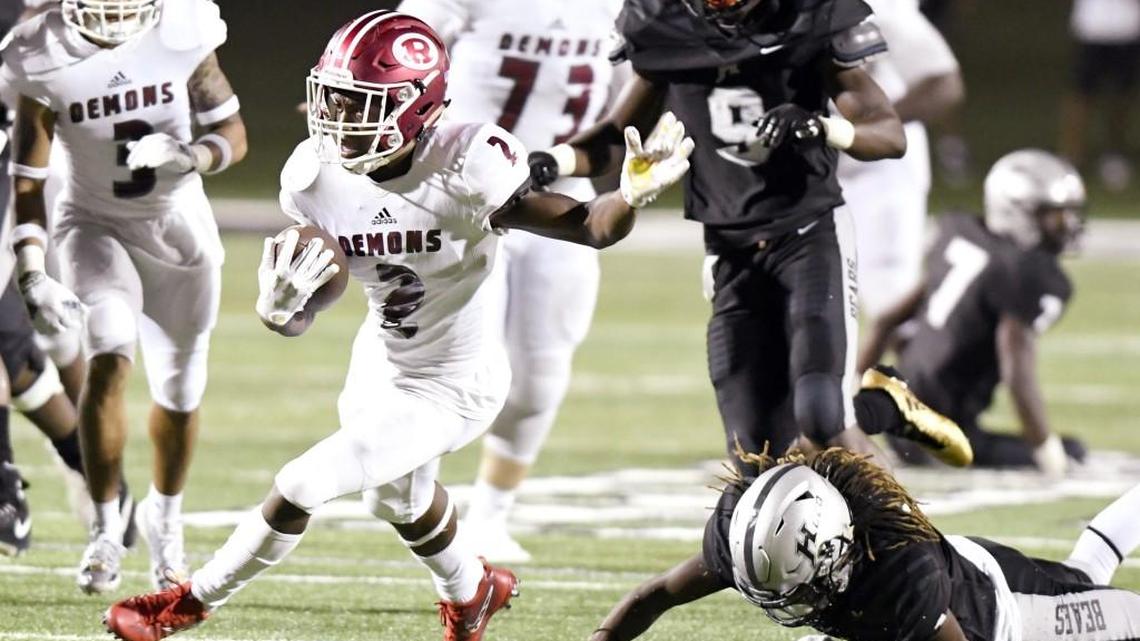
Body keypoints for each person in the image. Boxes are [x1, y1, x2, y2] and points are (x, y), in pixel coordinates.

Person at [103, 10, 692, 641]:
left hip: (455, 382)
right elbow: (311, 303)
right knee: (396, 500)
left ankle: (188, 603)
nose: (341, 120)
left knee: (304, 481)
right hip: (381, 358)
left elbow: (587, 226)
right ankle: (473, 591)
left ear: (418, 106)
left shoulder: (469, 163)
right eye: (335, 99)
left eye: (362, 104)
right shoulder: (313, 177)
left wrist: (628, 198)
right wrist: (282, 310)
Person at [528, 0, 972, 473]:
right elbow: (617, 136)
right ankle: (881, 409)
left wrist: (824, 127)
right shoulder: (662, 25)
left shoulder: (811, 15)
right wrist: (555, 160)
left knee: (824, 417)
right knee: (754, 455)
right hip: (729, 248)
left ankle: (901, 521)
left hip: (808, 233)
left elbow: (888, 134)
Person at [2, 0, 247, 592]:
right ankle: (106, 527)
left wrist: (192, 155)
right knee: (109, 353)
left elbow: (233, 135)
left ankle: (167, 524)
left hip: (178, 227)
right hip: (92, 224)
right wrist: (31, 269)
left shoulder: (182, 30)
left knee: (180, 391)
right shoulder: (40, 51)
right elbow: (27, 181)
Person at [397, 0, 625, 563]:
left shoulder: (619, 9)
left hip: (561, 203)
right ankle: (417, 505)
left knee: (538, 378)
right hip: (461, 202)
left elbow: (626, 114)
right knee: (448, 365)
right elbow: (396, 66)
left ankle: (491, 518)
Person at [588, 446, 1140, 641]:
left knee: (1102, 595)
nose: (792, 609)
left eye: (798, 592)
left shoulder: (901, 581)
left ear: (836, 554)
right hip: (935, 588)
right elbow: (653, 596)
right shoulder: (751, 533)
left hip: (1004, 618)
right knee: (1086, 571)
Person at [859, 150, 1087, 474]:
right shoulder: (1027, 272)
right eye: (1055, 215)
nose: (1068, 224)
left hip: (896, 412)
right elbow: (1017, 374)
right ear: (1017, 212)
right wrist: (1049, 456)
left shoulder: (958, 231)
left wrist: (849, 399)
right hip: (939, 434)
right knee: (1073, 451)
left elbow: (887, 321)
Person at [838, 0, 963, 320]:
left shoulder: (876, 8)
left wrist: (872, 125)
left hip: (879, 176)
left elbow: (944, 84)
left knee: (890, 300)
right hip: (817, 174)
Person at [1058, 0, 1140, 191]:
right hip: (1092, 27)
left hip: (1127, 27)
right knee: (1080, 95)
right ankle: (1070, 157)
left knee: (1121, 97)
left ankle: (1114, 156)